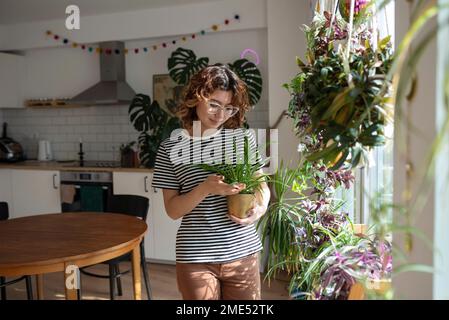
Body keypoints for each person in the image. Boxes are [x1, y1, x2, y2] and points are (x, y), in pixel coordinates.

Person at [151, 64, 270, 300]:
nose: (220, 114)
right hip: (196, 258)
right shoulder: (170, 148)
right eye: (214, 104)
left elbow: (262, 187)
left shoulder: (242, 141)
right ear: (196, 98)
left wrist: (260, 208)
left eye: (229, 108)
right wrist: (205, 188)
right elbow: (173, 210)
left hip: (243, 252)